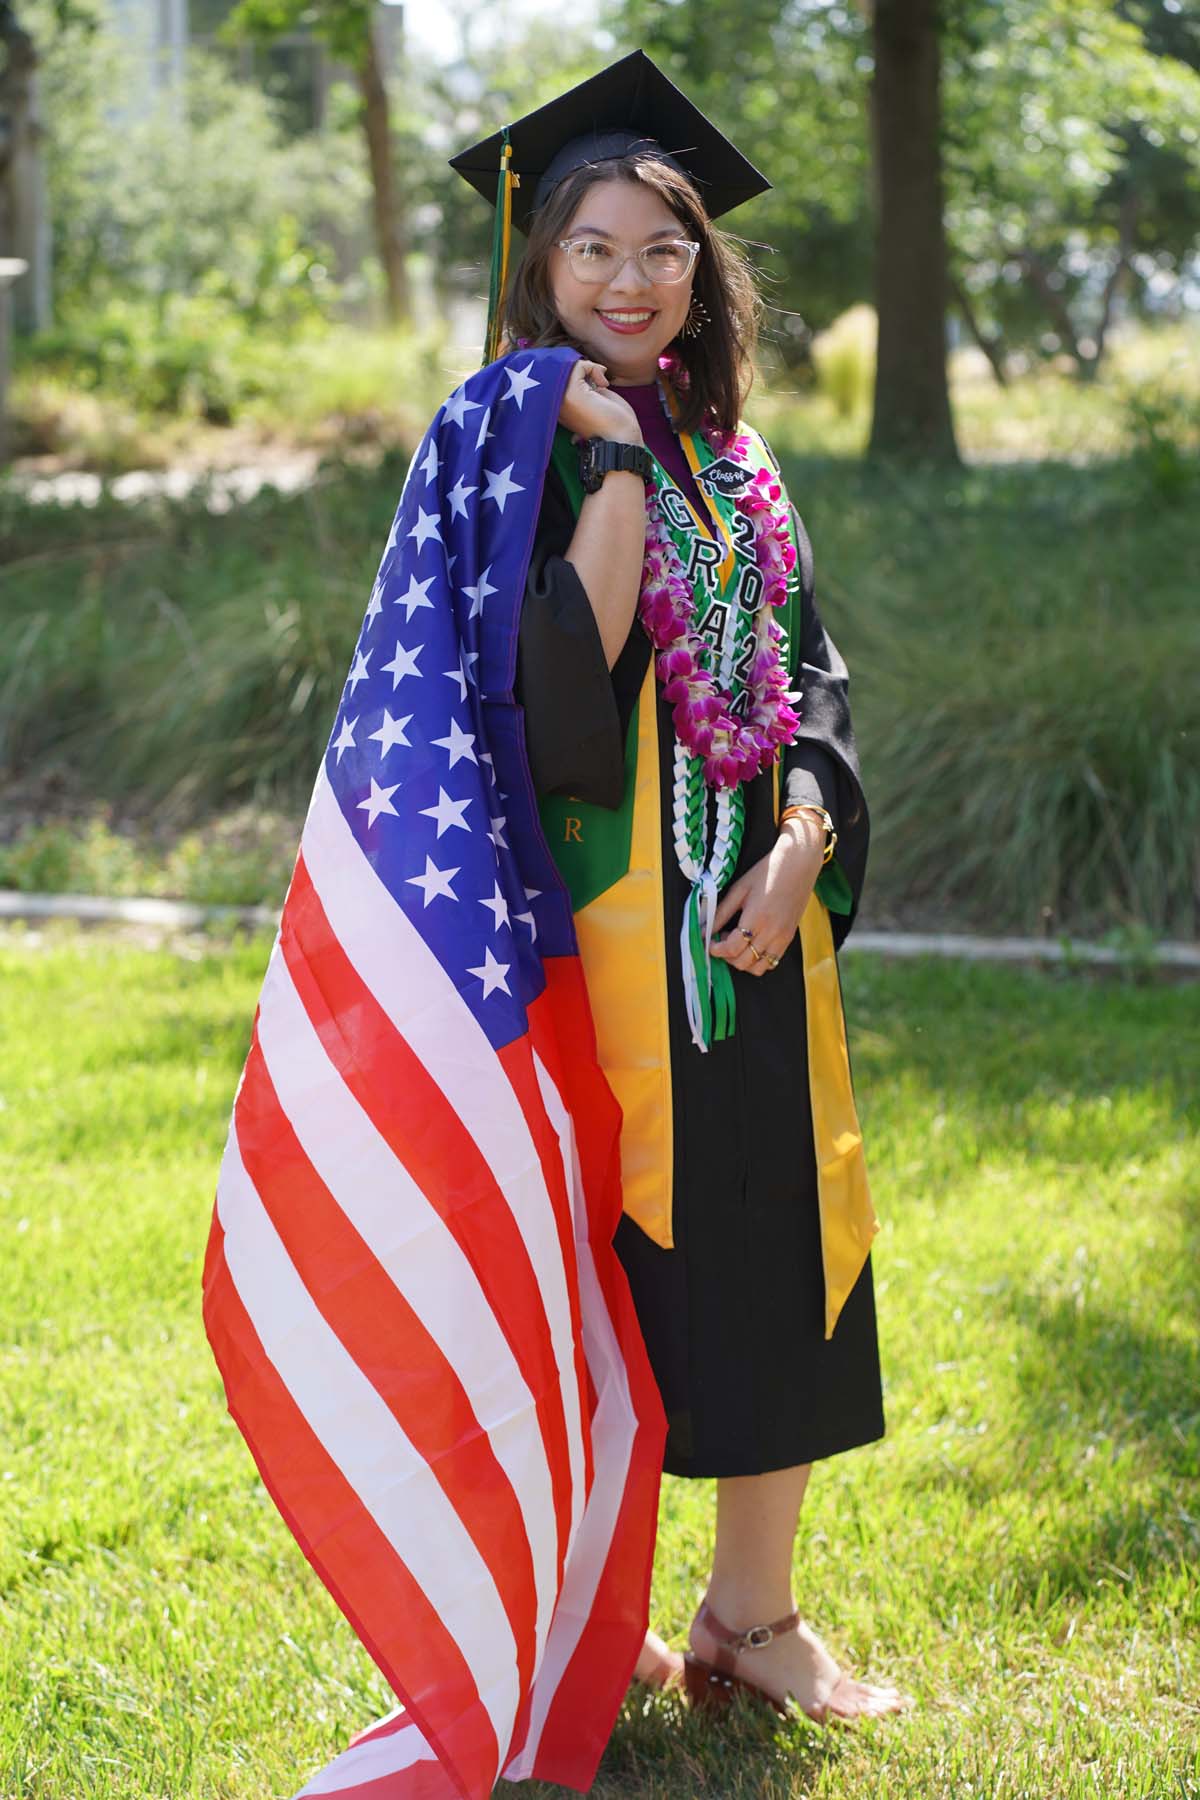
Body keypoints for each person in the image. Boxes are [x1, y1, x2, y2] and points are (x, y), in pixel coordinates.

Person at [452, 50, 907, 1724]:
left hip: (753, 936)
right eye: (592, 250)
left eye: (663, 250)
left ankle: (753, 1615)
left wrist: (803, 842)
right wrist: (615, 461)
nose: (631, 282)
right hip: (588, 954)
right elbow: (555, 708)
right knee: (597, 1289)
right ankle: (586, 1627)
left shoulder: (744, 460)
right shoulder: (512, 461)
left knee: (776, 1249)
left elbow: (808, 683)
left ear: (701, 275)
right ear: (539, 267)